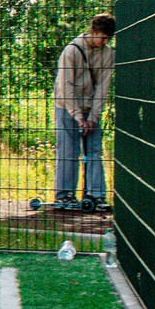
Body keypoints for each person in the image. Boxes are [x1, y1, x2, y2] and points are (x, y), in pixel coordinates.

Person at [51, 15, 116, 211]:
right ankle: (64, 194)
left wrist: (93, 117)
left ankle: (96, 194)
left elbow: (103, 88)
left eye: (108, 39)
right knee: (69, 151)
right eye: (103, 37)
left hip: (90, 106)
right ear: (93, 32)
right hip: (67, 105)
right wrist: (79, 117)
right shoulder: (72, 51)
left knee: (94, 150)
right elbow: (66, 86)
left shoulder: (108, 54)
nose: (105, 42)